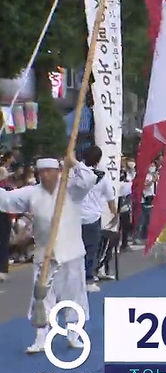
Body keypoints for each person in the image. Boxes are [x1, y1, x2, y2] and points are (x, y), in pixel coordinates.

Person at [0, 154, 97, 353]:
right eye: (41, 172)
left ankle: (73, 334)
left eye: (48, 172)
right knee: (42, 298)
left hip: (71, 254)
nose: (44, 175)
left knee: (73, 296)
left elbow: (89, 179)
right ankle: (41, 338)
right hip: (45, 255)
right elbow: (7, 199)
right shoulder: (32, 193)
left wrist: (74, 162)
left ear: (57, 172)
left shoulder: (71, 189)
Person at [79, 146, 117, 292]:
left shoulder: (77, 173)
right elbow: (110, 198)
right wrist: (114, 214)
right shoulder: (102, 178)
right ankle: (88, 279)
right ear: (98, 160)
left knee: (76, 250)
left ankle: (76, 279)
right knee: (91, 250)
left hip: (75, 217)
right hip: (92, 218)